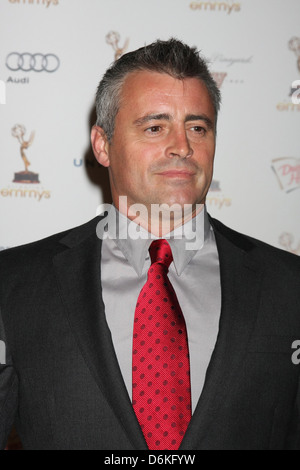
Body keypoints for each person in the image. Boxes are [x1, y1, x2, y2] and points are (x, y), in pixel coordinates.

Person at [0, 38, 300, 451]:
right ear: (102, 145)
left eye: (197, 127)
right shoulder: (13, 285)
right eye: (155, 127)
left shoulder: (289, 287)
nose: (182, 146)